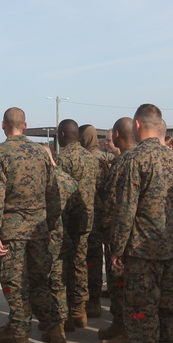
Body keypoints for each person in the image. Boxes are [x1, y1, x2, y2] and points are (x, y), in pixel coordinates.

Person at [104, 104, 173, 343]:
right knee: (167, 308)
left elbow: (125, 209)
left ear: (137, 125)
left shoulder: (134, 159)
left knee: (141, 311)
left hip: (141, 251)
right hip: (168, 248)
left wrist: (117, 249)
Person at [0, 108, 69, 343]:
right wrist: (50, 227)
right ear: (26, 125)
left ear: (3, 126)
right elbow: (53, 192)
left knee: (16, 288)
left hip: (12, 233)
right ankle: (57, 339)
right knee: (41, 285)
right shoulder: (40, 152)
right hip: (38, 231)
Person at [96, 117, 138, 343]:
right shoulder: (125, 160)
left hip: (121, 237)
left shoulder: (126, 162)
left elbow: (119, 206)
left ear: (120, 136)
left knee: (121, 285)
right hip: (131, 237)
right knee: (118, 286)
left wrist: (117, 245)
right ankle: (118, 323)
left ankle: (125, 330)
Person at [56, 120, 102, 329]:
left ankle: (66, 314)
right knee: (81, 263)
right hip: (87, 220)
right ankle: (80, 309)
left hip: (68, 222)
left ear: (64, 135)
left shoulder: (63, 159)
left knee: (64, 266)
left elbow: (58, 193)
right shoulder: (91, 159)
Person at [81, 124, 112, 320]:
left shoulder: (82, 159)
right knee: (97, 258)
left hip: (86, 217)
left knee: (84, 260)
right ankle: (95, 301)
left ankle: (84, 301)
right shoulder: (104, 159)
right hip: (102, 216)